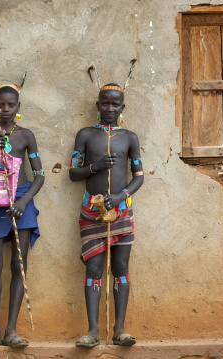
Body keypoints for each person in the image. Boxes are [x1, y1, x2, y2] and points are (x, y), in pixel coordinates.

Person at [69, 83, 144, 347]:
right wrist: (95, 167)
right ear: (97, 105)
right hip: (92, 211)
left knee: (121, 267)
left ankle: (119, 329)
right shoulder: (86, 135)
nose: (110, 108)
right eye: (105, 103)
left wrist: (122, 195)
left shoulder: (129, 138)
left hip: (121, 210)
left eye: (115, 104)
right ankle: (92, 331)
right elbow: (72, 173)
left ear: (122, 108)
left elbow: (139, 176)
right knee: (94, 268)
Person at [0, 83, 44, 348]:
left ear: (18, 107)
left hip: (21, 202)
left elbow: (40, 175)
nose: (5, 109)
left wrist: (24, 201)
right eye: (1, 105)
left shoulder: (26, 136)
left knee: (18, 266)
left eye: (10, 105)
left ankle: (11, 330)